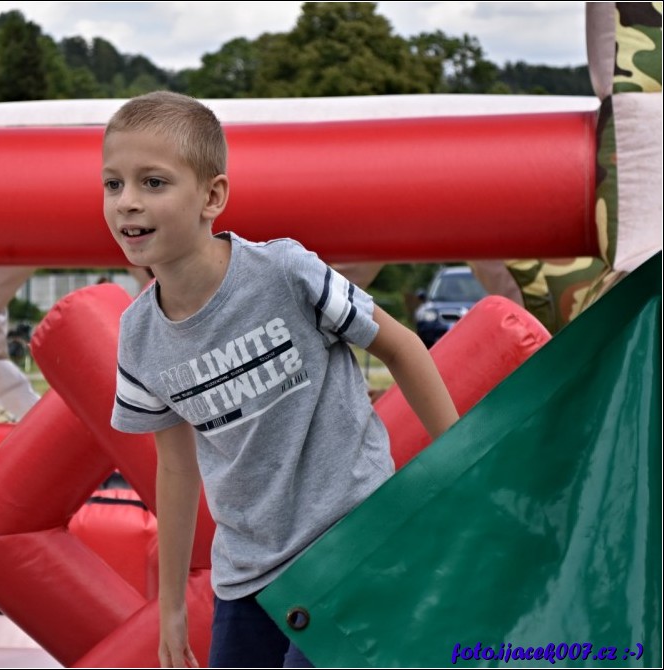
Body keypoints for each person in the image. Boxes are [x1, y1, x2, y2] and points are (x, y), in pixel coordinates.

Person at [103, 91, 459, 668]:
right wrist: (170, 607)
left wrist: (459, 466)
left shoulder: (284, 273)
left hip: (351, 541)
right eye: (113, 184)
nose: (128, 204)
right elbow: (174, 466)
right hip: (247, 575)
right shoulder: (139, 338)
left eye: (154, 182)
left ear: (211, 196)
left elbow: (402, 345)